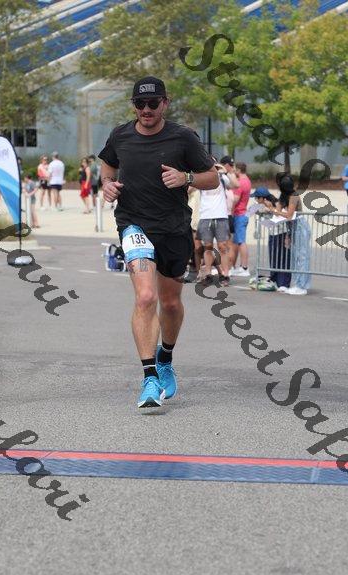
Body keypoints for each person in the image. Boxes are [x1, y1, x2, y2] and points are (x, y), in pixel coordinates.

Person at [98, 76, 218, 408]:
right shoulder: (120, 135)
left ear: (165, 103)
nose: (146, 109)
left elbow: (213, 178)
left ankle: (165, 358)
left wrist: (186, 177)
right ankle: (149, 378)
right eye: (140, 104)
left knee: (170, 304)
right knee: (145, 297)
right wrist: (107, 184)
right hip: (133, 224)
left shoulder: (183, 137)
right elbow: (107, 166)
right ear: (133, 105)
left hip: (174, 229)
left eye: (153, 103)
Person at [194, 157, 238, 286]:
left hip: (221, 216)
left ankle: (225, 274)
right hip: (206, 216)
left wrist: (225, 171)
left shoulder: (222, 178)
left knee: (222, 246)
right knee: (207, 246)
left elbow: (236, 185)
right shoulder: (201, 178)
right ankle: (208, 274)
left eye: (213, 164)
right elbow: (190, 188)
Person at [266, 173, 311, 296]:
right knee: (295, 257)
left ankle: (302, 286)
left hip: (300, 226)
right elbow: (278, 210)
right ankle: (298, 284)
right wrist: (273, 208)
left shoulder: (294, 196)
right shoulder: (284, 196)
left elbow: (289, 215)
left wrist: (274, 211)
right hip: (292, 227)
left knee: (302, 257)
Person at [250, 186, 291, 291]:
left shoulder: (277, 203)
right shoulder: (262, 205)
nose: (255, 200)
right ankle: (275, 281)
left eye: (256, 198)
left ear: (262, 198)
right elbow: (251, 212)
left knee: (282, 258)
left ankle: (284, 283)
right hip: (272, 234)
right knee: (273, 258)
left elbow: (283, 215)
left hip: (281, 233)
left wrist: (271, 209)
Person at [229, 161, 252, 277]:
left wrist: (230, 211)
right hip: (242, 214)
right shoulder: (247, 180)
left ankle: (244, 267)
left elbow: (235, 199)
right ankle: (236, 266)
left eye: (234, 169)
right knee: (237, 241)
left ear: (238, 170)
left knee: (241, 241)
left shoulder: (241, 182)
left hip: (239, 214)